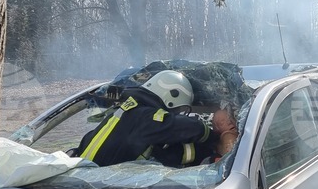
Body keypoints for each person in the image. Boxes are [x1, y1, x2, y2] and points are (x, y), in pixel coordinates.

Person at [73, 70, 234, 167]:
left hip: (93, 182)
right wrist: (211, 133)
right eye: (176, 109)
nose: (175, 113)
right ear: (172, 96)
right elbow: (182, 127)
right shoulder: (145, 116)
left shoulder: (125, 111)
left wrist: (207, 153)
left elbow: (162, 155)